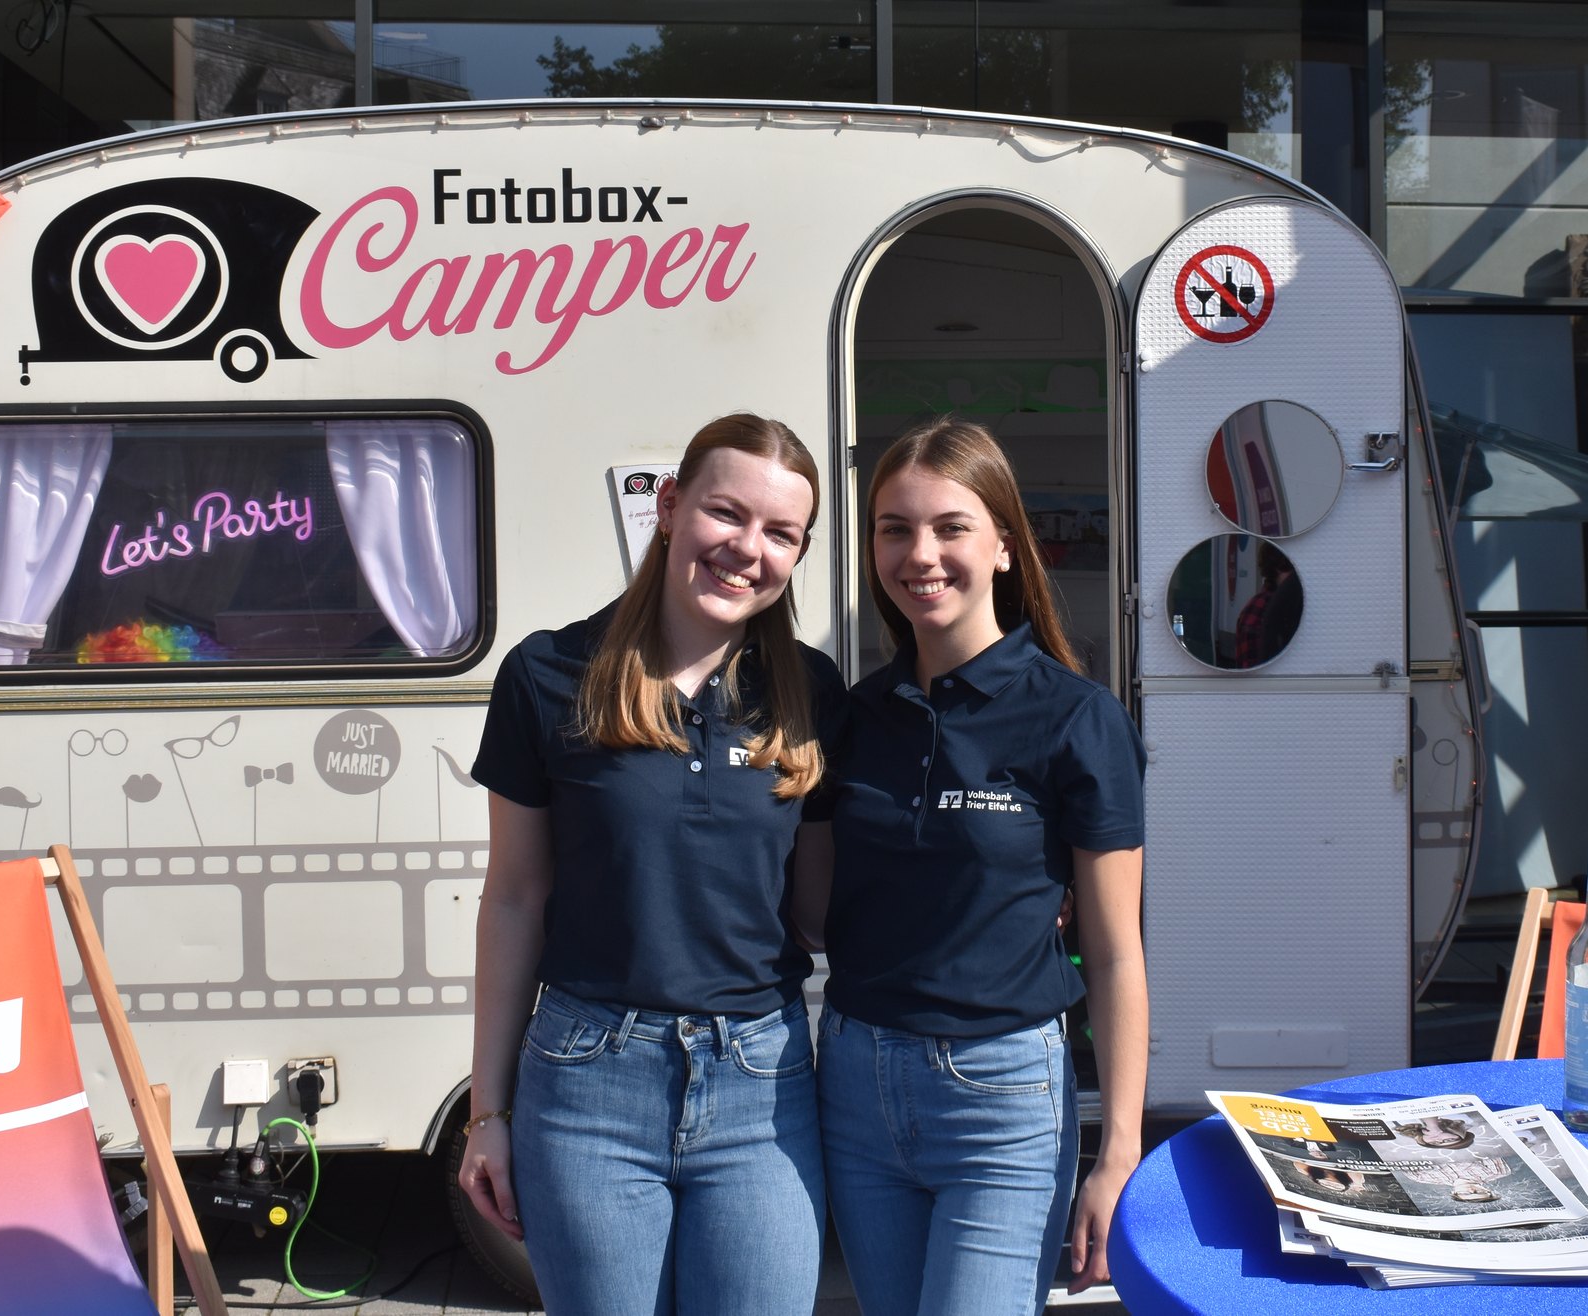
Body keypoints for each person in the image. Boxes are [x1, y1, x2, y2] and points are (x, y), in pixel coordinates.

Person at [457, 413, 843, 1316]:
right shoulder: (549, 674)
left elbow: (822, 912)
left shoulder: (812, 694)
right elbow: (513, 900)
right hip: (588, 1082)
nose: (747, 549)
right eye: (726, 513)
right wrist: (488, 1111)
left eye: (780, 532)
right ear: (669, 507)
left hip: (761, 1085)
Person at [812, 417, 1148, 1316]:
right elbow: (812, 909)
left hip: (999, 1097)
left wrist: (1117, 1152)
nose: (920, 554)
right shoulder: (854, 717)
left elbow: (1115, 954)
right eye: (894, 529)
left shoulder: (1077, 718)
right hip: (854, 1082)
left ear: (1004, 546)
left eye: (950, 527)